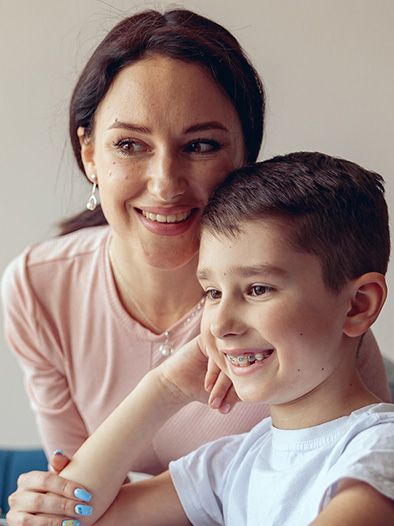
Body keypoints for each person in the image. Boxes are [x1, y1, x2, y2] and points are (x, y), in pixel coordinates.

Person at [1, 5, 390, 513]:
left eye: (201, 144)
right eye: (129, 144)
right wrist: (160, 391)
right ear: (91, 153)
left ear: (245, 159)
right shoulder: (38, 289)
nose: (165, 182)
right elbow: (71, 508)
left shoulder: (325, 322)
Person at [7, 151, 394, 526]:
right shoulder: (231, 464)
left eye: (258, 289)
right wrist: (164, 386)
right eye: (211, 293)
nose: (220, 323)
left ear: (358, 305)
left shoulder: (379, 450)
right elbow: (70, 518)